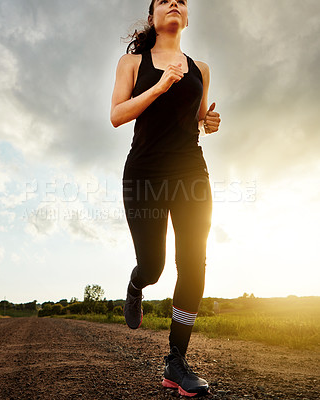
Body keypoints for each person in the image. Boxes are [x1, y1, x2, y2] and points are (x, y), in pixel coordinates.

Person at [110, 0, 221, 397]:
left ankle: (176, 362)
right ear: (153, 16)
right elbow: (117, 115)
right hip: (145, 173)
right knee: (155, 265)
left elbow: (194, 120)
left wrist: (208, 122)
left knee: (193, 261)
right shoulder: (134, 63)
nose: (173, 2)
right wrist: (161, 84)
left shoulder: (200, 69)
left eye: (181, 0)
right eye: (163, 0)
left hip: (191, 171)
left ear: (186, 17)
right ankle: (138, 283)